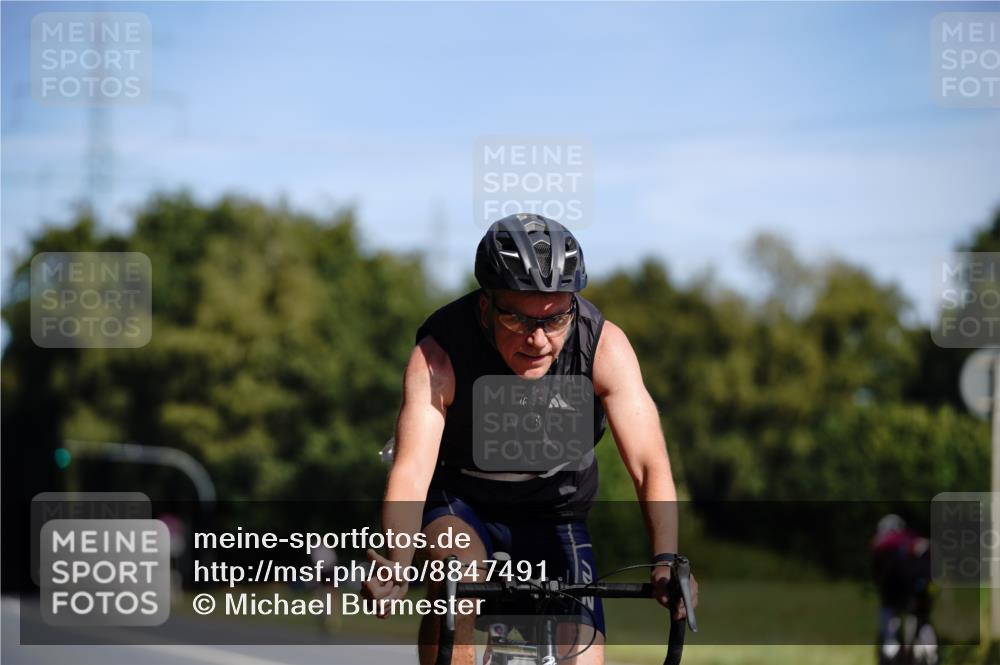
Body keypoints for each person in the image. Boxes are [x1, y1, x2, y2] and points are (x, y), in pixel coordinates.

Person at [363, 213, 697, 665]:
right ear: (486, 307)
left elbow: (648, 464)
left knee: (583, 653)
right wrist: (396, 558)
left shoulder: (603, 346)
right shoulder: (440, 353)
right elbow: (411, 469)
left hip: (554, 511)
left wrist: (666, 557)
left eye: (556, 318)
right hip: (464, 502)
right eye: (519, 321)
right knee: (455, 579)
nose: (539, 339)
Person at [871, 514, 937, 665]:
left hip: (893, 594)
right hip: (920, 590)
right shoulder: (913, 540)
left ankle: (891, 650)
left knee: (890, 621)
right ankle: (930, 653)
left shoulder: (881, 543)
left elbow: (877, 575)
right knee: (922, 620)